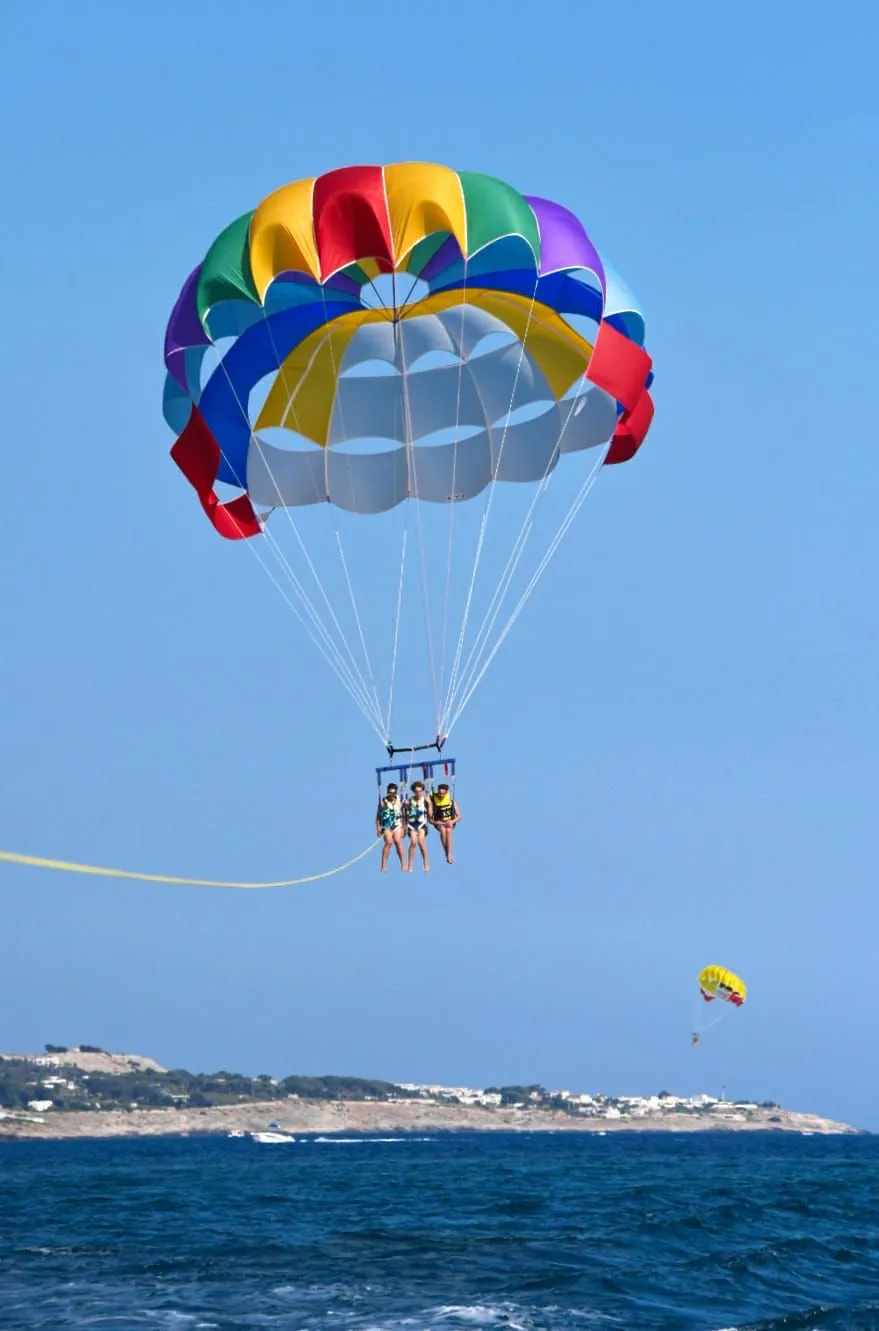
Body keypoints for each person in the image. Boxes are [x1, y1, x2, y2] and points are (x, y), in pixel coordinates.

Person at [376, 782, 405, 872]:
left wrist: (404, 828)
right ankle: (383, 865)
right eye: (390, 792)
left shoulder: (400, 800)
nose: (391, 795)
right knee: (388, 842)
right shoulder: (383, 802)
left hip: (397, 825)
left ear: (396, 793)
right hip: (386, 826)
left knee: (397, 840)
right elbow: (377, 817)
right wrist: (378, 828)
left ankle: (403, 863)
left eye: (393, 793)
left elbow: (405, 816)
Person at [429, 782, 461, 864]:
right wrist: (437, 822)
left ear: (446, 793)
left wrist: (452, 821)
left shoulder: (451, 802)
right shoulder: (434, 801)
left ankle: (449, 854)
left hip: (450, 822)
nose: (441, 795)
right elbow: (430, 820)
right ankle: (447, 853)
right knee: (443, 830)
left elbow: (459, 816)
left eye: (443, 793)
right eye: (439, 793)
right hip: (439, 822)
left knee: (449, 830)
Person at [404, 781, 431, 873]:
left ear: (422, 791)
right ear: (413, 791)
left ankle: (426, 863)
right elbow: (404, 814)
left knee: (421, 841)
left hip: (422, 825)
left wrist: (429, 804)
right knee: (413, 842)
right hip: (411, 825)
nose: (418, 793)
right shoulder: (409, 800)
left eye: (420, 791)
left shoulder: (425, 800)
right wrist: (404, 805)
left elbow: (430, 814)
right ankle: (410, 864)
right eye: (416, 791)